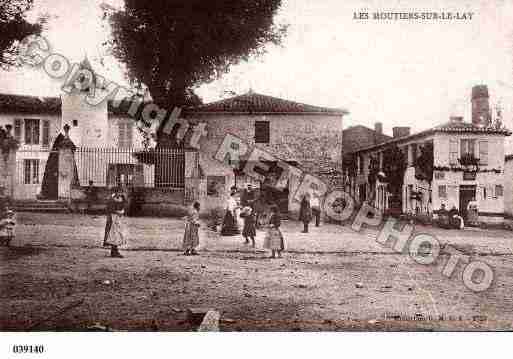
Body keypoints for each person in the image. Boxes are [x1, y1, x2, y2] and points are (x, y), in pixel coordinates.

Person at [104, 189, 127, 258]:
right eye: (118, 192)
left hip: (118, 218)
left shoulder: (122, 198)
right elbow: (109, 209)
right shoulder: (111, 199)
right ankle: (114, 251)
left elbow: (124, 205)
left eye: (121, 192)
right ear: (115, 192)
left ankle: (114, 250)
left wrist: (122, 211)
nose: (119, 194)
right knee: (113, 234)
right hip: (112, 218)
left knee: (118, 234)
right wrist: (117, 212)